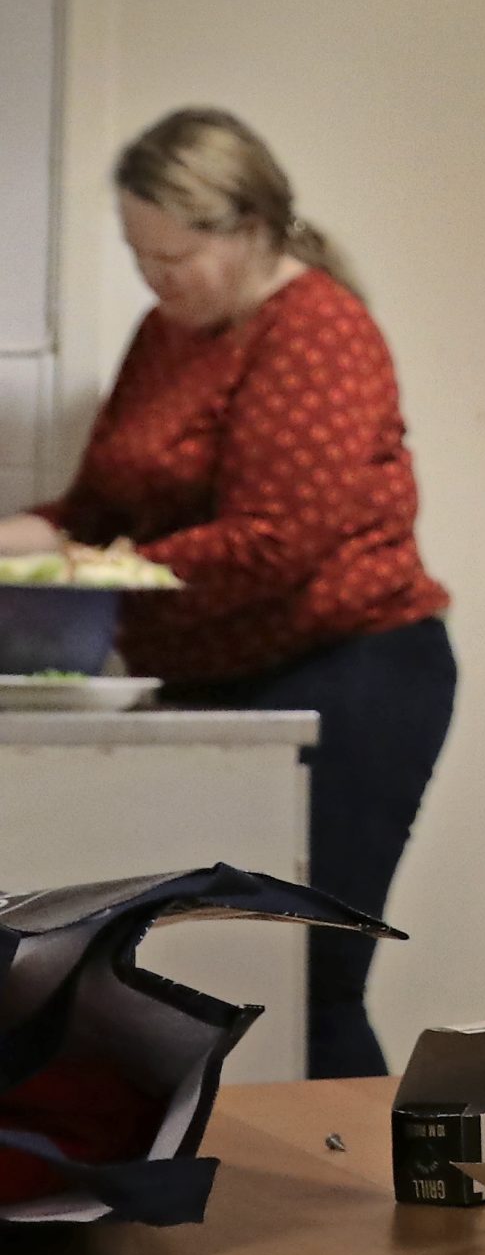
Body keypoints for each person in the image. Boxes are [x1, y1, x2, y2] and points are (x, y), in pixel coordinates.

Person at [0, 109, 455, 1079]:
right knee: (189, 971)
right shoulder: (166, 334)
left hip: (354, 672)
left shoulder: (318, 326)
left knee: (307, 978)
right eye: (139, 255)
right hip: (226, 679)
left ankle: (380, 1204)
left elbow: (274, 542)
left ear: (250, 226)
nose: (158, 276)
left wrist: (91, 574)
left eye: (178, 251)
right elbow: (92, 506)